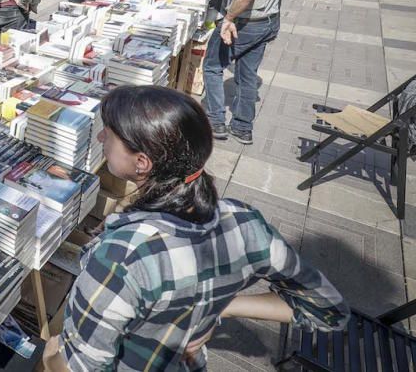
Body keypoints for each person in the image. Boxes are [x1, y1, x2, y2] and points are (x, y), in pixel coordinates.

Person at [48, 86, 349, 371]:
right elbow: (330, 310)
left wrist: (51, 356)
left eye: (109, 134)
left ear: (141, 162)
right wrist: (220, 304)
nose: (101, 137)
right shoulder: (243, 222)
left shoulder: (119, 261)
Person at [203, 0, 292, 144]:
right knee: (248, 72)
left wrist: (229, 18)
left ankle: (216, 120)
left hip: (247, 22)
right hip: (269, 21)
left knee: (212, 66)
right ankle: (243, 126)